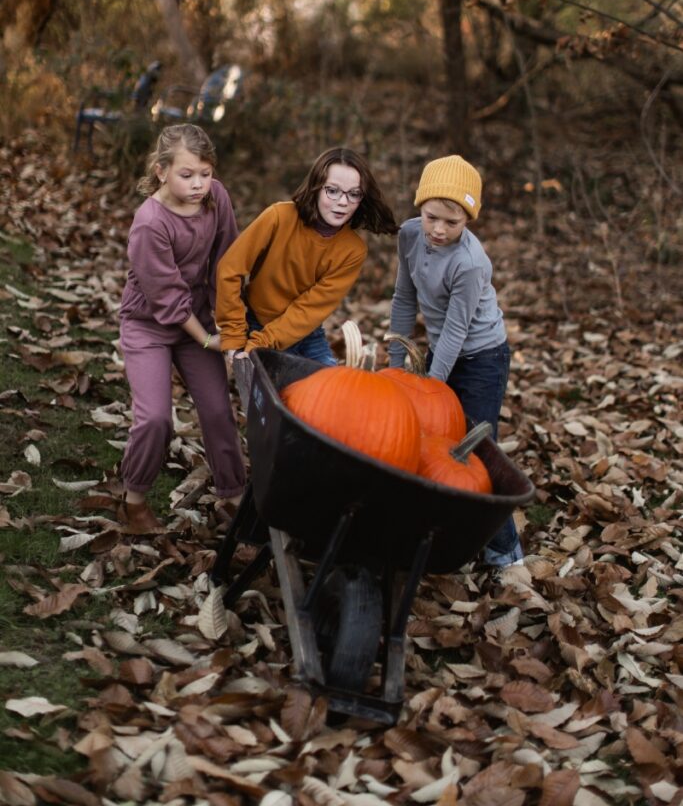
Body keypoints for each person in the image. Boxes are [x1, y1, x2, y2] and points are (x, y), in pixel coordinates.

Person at [387, 154, 523, 568]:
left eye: (453, 222)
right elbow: (404, 299)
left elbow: (458, 331)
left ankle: (506, 552)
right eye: (431, 217)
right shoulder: (409, 236)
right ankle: (436, 529)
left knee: (477, 447)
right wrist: (397, 364)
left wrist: (431, 383)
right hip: (441, 345)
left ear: (468, 220)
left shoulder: (469, 262)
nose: (439, 230)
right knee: (427, 437)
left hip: (481, 356)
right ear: (419, 209)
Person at [118, 124, 245, 534]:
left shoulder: (215, 198)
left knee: (217, 410)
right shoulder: (149, 224)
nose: (198, 184)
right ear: (161, 171)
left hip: (199, 317)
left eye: (205, 174)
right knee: (155, 418)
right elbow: (168, 298)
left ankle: (233, 493)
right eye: (186, 175)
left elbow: (228, 258)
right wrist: (209, 340)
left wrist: (229, 320)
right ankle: (133, 500)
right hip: (149, 324)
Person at [216, 147, 397, 367]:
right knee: (272, 395)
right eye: (333, 190)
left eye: (354, 194)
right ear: (316, 188)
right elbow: (230, 269)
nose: (343, 202)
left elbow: (309, 309)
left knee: (330, 391)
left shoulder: (352, 249)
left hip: (307, 333)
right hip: (258, 325)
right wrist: (234, 336)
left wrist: (263, 342)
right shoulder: (279, 217)